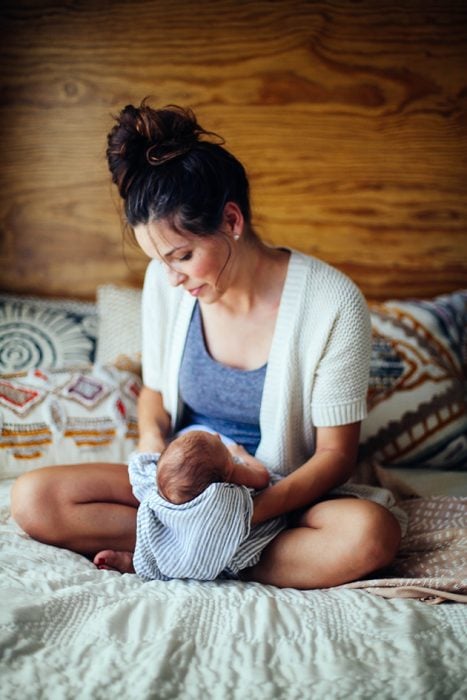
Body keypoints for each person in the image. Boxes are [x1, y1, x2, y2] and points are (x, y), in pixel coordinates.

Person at [11, 99, 403, 589]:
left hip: (278, 496)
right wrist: (156, 461)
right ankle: (211, 552)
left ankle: (178, 555)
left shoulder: (333, 304)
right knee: (33, 499)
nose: (171, 278)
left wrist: (245, 515)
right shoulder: (165, 284)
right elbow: (154, 393)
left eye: (183, 256)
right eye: (159, 260)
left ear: (232, 221)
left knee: (370, 536)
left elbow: (334, 456)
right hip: (181, 492)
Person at [96, 428, 286, 580]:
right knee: (233, 555)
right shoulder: (233, 472)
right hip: (223, 548)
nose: (217, 435)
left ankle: (140, 564)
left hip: (179, 543)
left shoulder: (167, 487)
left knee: (160, 551)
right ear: (227, 472)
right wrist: (241, 455)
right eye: (218, 441)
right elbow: (262, 477)